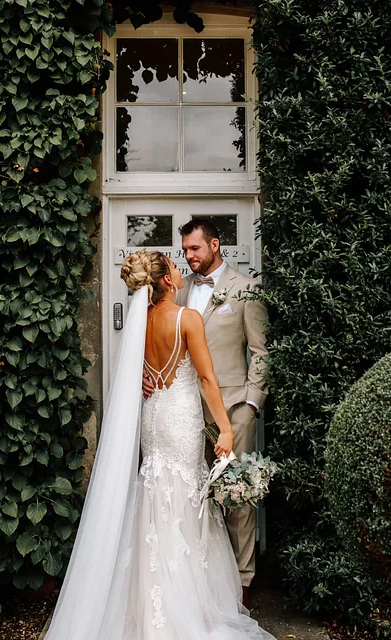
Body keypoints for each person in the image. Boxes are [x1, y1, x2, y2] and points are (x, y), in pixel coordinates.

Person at [43, 250, 274, 639]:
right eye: (173, 267)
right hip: (181, 418)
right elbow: (205, 379)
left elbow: (138, 371)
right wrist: (226, 429)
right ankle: (184, 606)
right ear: (166, 281)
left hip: (154, 417)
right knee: (184, 500)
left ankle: (152, 603)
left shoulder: (142, 321)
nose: (180, 270)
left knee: (155, 497)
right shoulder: (187, 317)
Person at [143, 218, 268, 607]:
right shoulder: (175, 296)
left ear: (216, 245)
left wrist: (250, 405)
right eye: (184, 251)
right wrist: (146, 380)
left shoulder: (245, 290)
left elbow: (262, 353)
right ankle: (198, 586)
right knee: (189, 498)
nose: (189, 256)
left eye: (195, 248)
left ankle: (242, 584)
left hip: (230, 408)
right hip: (183, 414)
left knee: (236, 497)